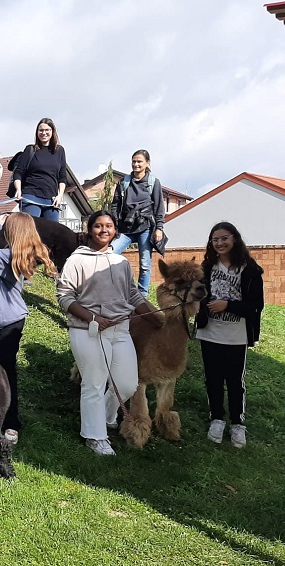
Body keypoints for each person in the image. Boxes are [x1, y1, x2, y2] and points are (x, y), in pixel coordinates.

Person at [56, 210, 163, 457]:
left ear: (115, 230)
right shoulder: (76, 260)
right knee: (94, 383)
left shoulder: (121, 262)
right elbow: (64, 296)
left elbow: (133, 295)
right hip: (88, 330)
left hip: (120, 329)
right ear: (90, 230)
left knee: (127, 384)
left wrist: (155, 319)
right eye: (98, 226)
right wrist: (92, 318)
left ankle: (103, 416)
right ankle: (95, 437)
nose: (104, 230)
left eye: (109, 226)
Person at [0, 210, 57, 445]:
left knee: (4, 373)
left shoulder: (9, 257)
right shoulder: (14, 255)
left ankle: (10, 422)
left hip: (6, 324)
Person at [195, 222, 264, 449]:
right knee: (213, 379)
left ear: (234, 238)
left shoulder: (250, 269)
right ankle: (216, 418)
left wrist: (228, 305)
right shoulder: (207, 267)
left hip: (236, 335)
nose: (219, 243)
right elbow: (198, 296)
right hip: (210, 333)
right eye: (215, 240)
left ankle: (237, 423)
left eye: (224, 238)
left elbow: (256, 304)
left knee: (235, 381)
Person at [110, 149, 167, 295]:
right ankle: (114, 288)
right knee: (110, 254)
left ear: (147, 163)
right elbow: (115, 205)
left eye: (139, 161)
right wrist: (114, 225)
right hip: (125, 228)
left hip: (145, 227)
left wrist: (159, 228)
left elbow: (159, 207)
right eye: (134, 161)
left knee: (145, 264)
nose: (136, 164)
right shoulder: (124, 182)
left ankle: (142, 295)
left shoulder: (153, 182)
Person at [11, 118, 68, 222]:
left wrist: (60, 196)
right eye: (41, 130)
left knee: (52, 230)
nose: (44, 133)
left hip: (51, 200)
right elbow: (18, 172)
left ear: (52, 131)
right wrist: (18, 190)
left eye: (47, 130)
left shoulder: (60, 151)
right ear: (37, 132)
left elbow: (62, 176)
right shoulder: (30, 150)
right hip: (31, 196)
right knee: (31, 227)